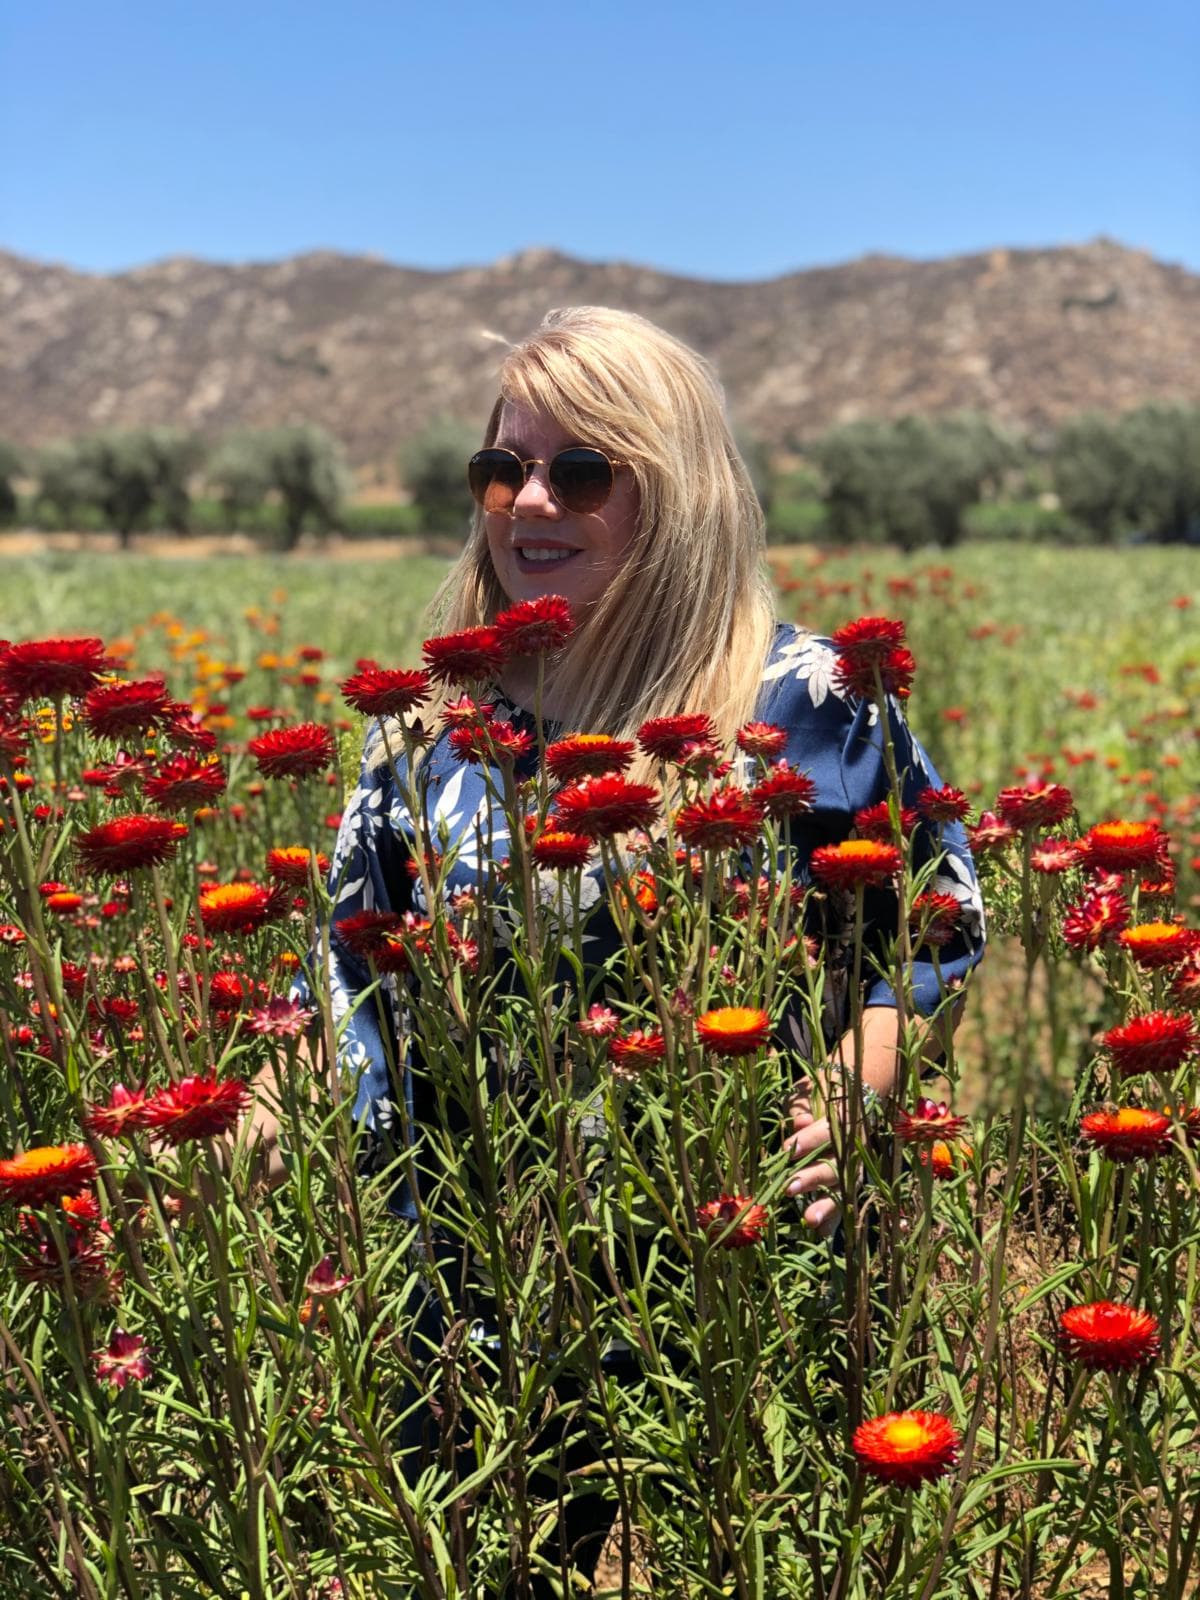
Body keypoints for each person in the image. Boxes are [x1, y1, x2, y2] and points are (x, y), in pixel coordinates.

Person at [254, 306, 985, 1586]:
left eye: (581, 471)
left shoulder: (799, 699)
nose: (529, 501)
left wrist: (856, 1088)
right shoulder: (425, 734)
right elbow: (346, 985)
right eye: (502, 469)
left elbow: (934, 924)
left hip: (735, 1259)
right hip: (476, 1281)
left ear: (676, 490)